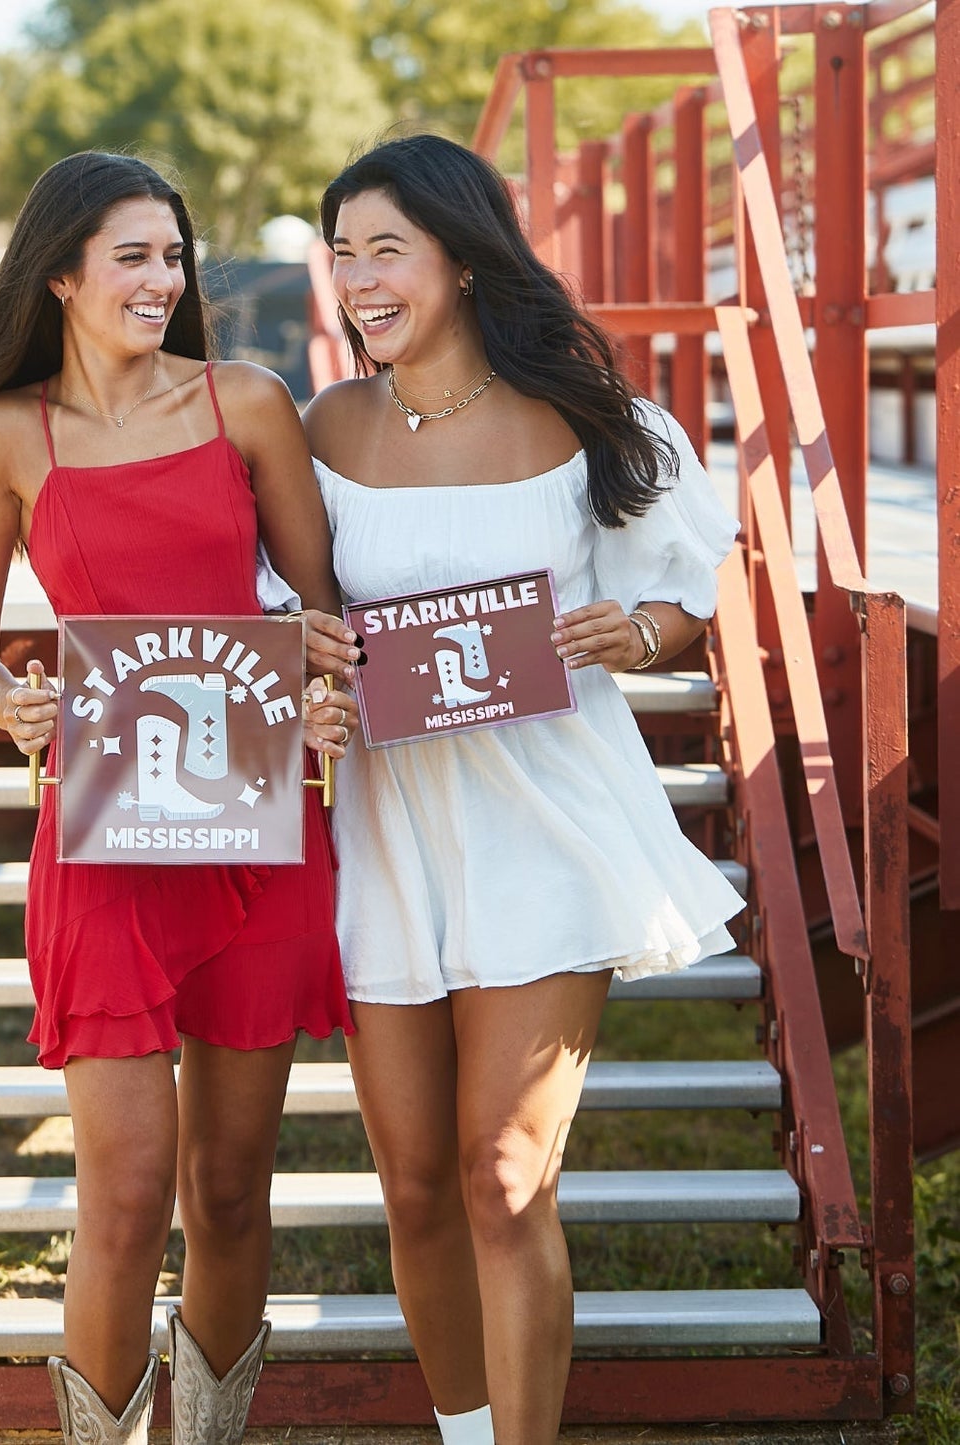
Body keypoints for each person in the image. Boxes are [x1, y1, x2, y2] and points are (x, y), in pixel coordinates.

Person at [301, 134, 746, 1445]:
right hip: (385, 824)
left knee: (504, 1176)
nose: (358, 277)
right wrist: (312, 673)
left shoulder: (581, 414)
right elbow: (288, 616)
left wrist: (641, 634)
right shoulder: (322, 424)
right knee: (416, 1185)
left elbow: (685, 587)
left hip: (544, 822)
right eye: (342, 252)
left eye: (385, 246)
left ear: (459, 250)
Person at [0, 151, 358, 1445]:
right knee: (123, 1190)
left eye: (171, 256)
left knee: (229, 1185)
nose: (160, 278)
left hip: (255, 821)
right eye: (131, 255)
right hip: (103, 836)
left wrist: (317, 667)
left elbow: (322, 610)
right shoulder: (1, 433)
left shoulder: (245, 403)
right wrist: (2, 699)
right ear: (58, 273)